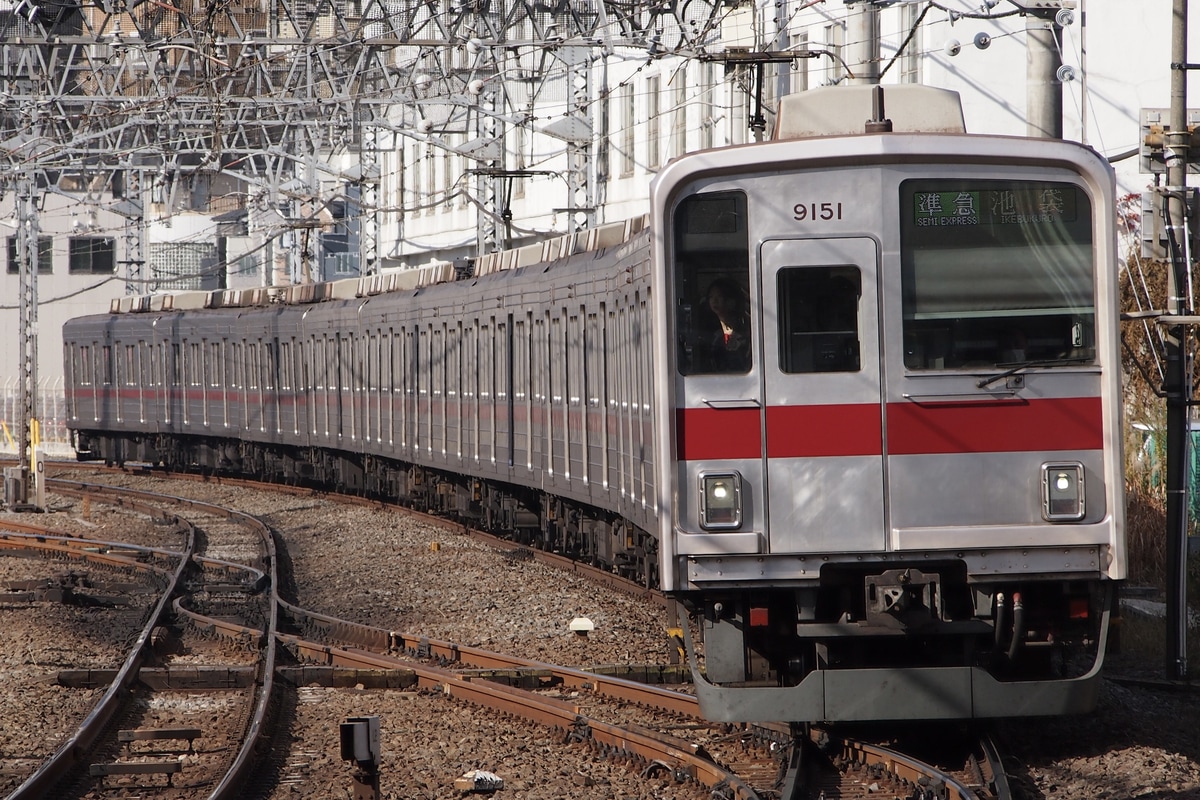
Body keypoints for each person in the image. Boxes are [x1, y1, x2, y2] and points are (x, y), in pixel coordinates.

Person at [704, 277, 751, 373]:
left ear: (732, 300)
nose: (714, 301)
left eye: (719, 296)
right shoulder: (708, 330)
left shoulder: (746, 331)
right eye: (711, 297)